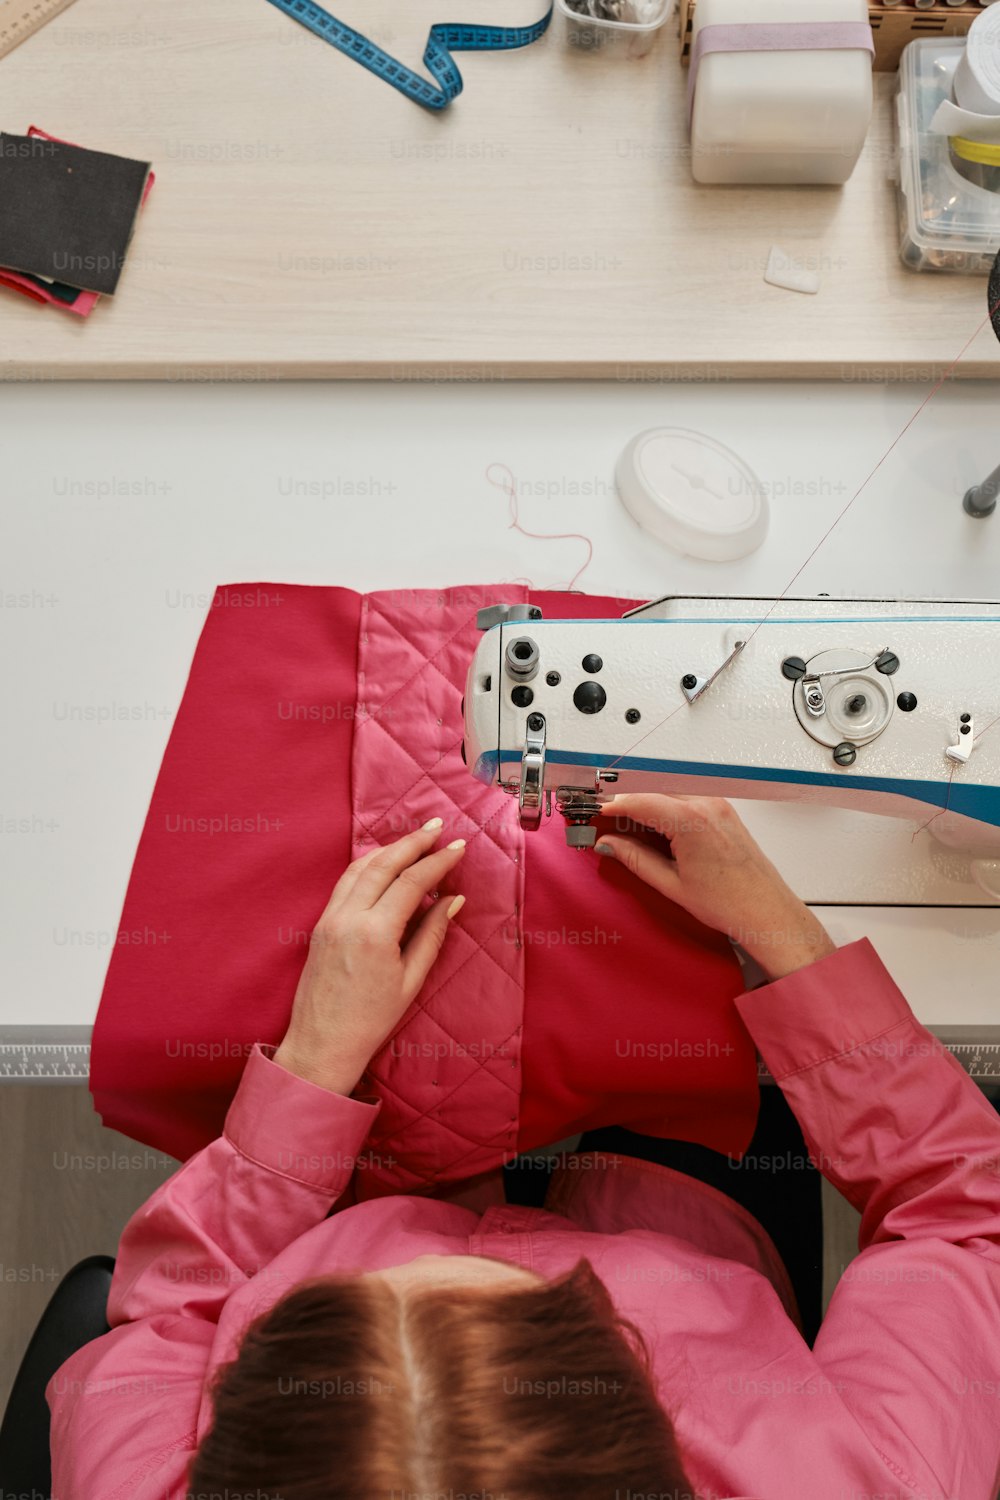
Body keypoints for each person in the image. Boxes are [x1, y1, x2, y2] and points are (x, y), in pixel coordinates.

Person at [48, 795, 1000, 1500]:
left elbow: (171, 1313)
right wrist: (783, 935)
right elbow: (963, 1217)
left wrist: (313, 1065)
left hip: (390, 1179)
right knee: (700, 1044)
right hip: (690, 1248)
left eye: (362, 1298)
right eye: (572, 1313)